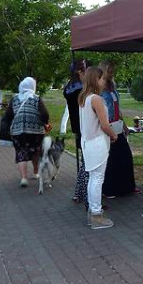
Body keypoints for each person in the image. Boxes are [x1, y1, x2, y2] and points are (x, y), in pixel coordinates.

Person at [78, 66, 118, 229]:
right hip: (97, 142)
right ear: (96, 79)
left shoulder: (84, 97)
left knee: (93, 178)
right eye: (102, 78)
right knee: (97, 179)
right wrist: (113, 135)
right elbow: (105, 125)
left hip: (88, 142)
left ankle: (93, 211)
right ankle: (96, 214)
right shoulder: (96, 99)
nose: (104, 81)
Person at [98, 61, 139, 198]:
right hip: (107, 126)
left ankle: (128, 187)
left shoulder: (113, 88)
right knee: (112, 159)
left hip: (117, 125)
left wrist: (124, 126)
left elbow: (118, 109)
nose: (112, 74)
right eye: (109, 71)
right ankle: (110, 189)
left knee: (125, 156)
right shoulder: (100, 91)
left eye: (112, 71)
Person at [3, 77, 49, 188]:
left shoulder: (14, 99)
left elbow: (8, 115)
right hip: (35, 131)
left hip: (18, 131)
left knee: (21, 153)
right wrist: (45, 123)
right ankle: (35, 172)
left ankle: (24, 178)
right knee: (36, 151)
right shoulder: (36, 98)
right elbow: (44, 114)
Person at [63, 59, 88, 203]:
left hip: (77, 126)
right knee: (87, 162)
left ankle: (79, 192)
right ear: (80, 72)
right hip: (85, 125)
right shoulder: (81, 89)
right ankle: (83, 192)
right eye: (85, 70)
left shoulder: (69, 87)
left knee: (84, 161)